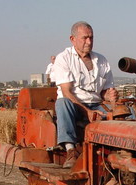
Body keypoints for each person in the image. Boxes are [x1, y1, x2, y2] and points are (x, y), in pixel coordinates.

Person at [50, 21, 118, 168]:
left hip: (96, 105)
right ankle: (71, 149)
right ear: (72, 39)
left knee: (128, 113)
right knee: (62, 103)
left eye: (91, 38)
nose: (89, 42)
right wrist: (87, 111)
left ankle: (127, 151)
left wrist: (110, 96)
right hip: (74, 106)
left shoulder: (101, 60)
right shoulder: (64, 58)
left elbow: (104, 91)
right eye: (85, 38)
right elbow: (67, 92)